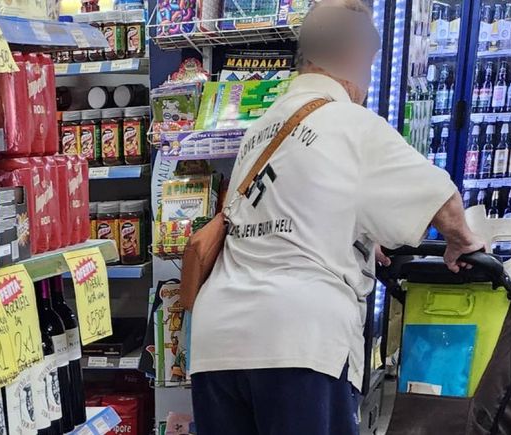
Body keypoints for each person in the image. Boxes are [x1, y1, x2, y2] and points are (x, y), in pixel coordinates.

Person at [189, 0, 484, 433]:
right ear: (353, 56)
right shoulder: (351, 121)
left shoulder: (261, 128)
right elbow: (442, 198)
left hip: (217, 342)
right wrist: (463, 241)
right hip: (297, 340)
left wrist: (360, 231)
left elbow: (293, 204)